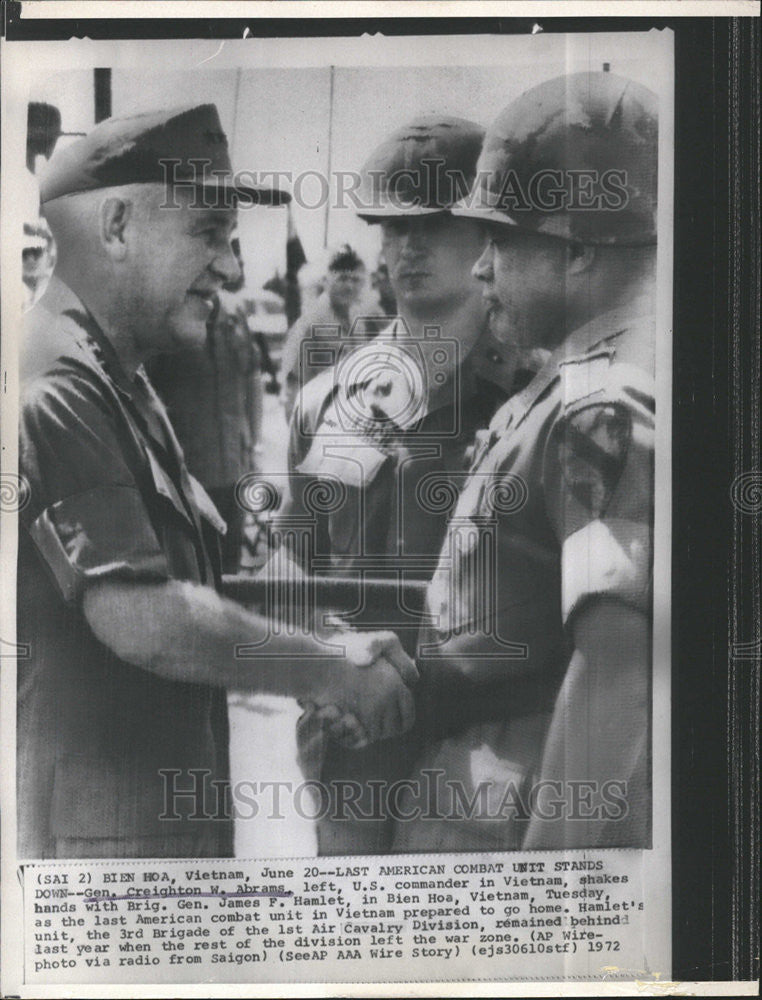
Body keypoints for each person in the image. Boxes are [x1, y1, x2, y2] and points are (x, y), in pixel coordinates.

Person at [16, 103, 416, 860]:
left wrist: (323, 642)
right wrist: (326, 671)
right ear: (116, 228)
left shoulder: (118, 383)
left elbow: (191, 580)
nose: (232, 268)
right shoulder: (56, 385)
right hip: (97, 882)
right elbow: (140, 615)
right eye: (208, 233)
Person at [391, 71, 658, 852]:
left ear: (575, 250)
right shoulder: (594, 382)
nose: (479, 270)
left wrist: (545, 909)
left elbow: (622, 665)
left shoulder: (598, 406)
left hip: (517, 822)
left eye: (499, 242)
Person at [279, 115, 542, 854]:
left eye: (434, 222)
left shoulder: (536, 393)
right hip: (353, 747)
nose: (407, 247)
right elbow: (289, 567)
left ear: (486, 232)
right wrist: (324, 661)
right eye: (389, 227)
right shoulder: (330, 398)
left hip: (487, 751)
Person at [147, 238, 261, 574]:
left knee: (231, 571)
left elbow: (251, 377)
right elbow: (143, 396)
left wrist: (251, 446)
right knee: (194, 573)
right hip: (189, 478)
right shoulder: (167, 315)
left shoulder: (236, 313)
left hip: (234, 472)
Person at [279, 244, 368, 421]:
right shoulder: (310, 323)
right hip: (318, 422)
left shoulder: (358, 322)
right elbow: (293, 386)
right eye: (342, 278)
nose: (349, 286)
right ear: (327, 280)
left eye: (355, 280)